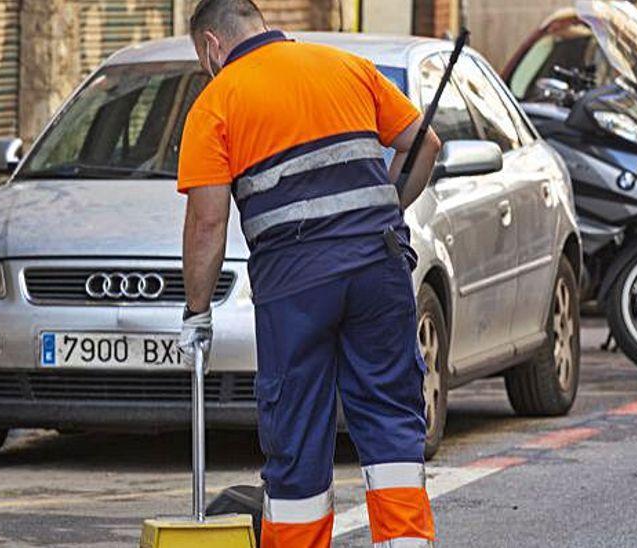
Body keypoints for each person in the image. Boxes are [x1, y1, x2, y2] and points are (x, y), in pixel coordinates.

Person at [176, 0, 442, 546]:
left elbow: (207, 222)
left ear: (210, 46)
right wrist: (383, 208)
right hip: (378, 265)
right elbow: (425, 143)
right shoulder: (343, 65)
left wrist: (197, 313)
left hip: (295, 283)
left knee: (297, 429)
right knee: (392, 418)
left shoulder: (216, 101)